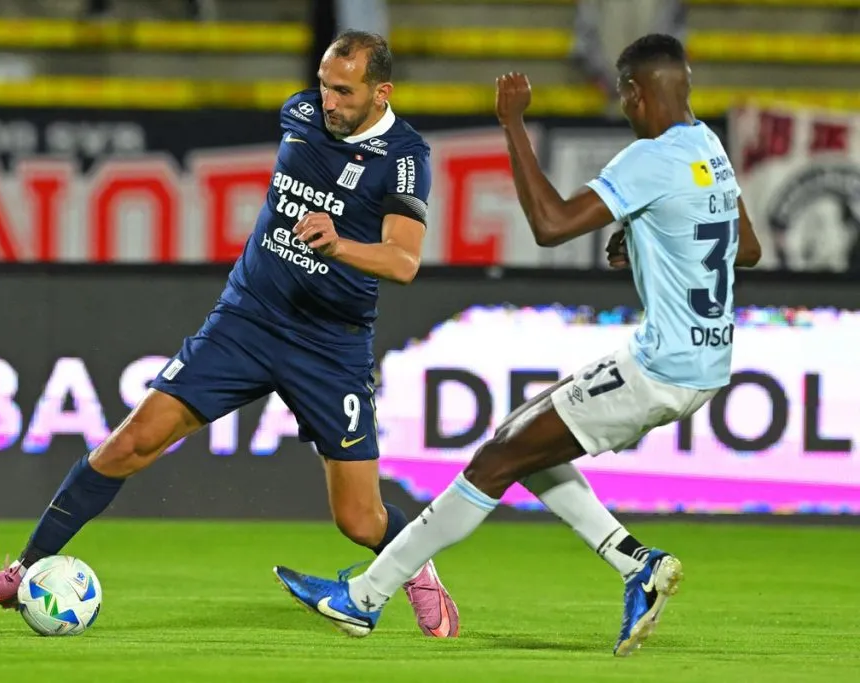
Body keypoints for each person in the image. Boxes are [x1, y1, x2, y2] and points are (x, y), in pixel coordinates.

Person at [0, 30, 460, 640]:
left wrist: (339, 242)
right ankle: (22, 569)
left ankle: (418, 571)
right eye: (323, 85)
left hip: (329, 344)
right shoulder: (299, 114)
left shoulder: (405, 158)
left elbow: (404, 262)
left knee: (358, 518)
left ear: (382, 92)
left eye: (343, 91)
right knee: (129, 444)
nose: (327, 100)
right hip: (247, 320)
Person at [273, 33, 762, 655]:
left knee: (494, 462)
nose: (624, 109)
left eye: (622, 97)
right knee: (524, 444)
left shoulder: (651, 158)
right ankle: (635, 562)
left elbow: (551, 225)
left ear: (636, 93)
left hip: (659, 366)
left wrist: (513, 124)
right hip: (706, 361)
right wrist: (644, 239)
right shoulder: (708, 148)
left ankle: (364, 597)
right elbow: (744, 247)